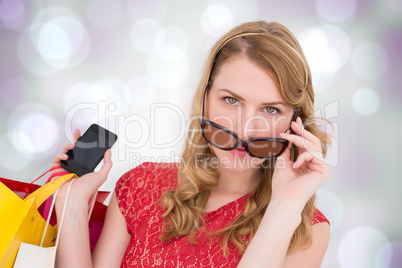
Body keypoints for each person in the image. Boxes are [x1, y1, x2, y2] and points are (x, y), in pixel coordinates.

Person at [52, 21, 331, 267]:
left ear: (294, 121)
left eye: (270, 110)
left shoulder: (307, 229)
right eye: (231, 100)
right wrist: (72, 204)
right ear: (205, 99)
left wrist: (284, 206)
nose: (246, 128)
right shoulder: (139, 186)